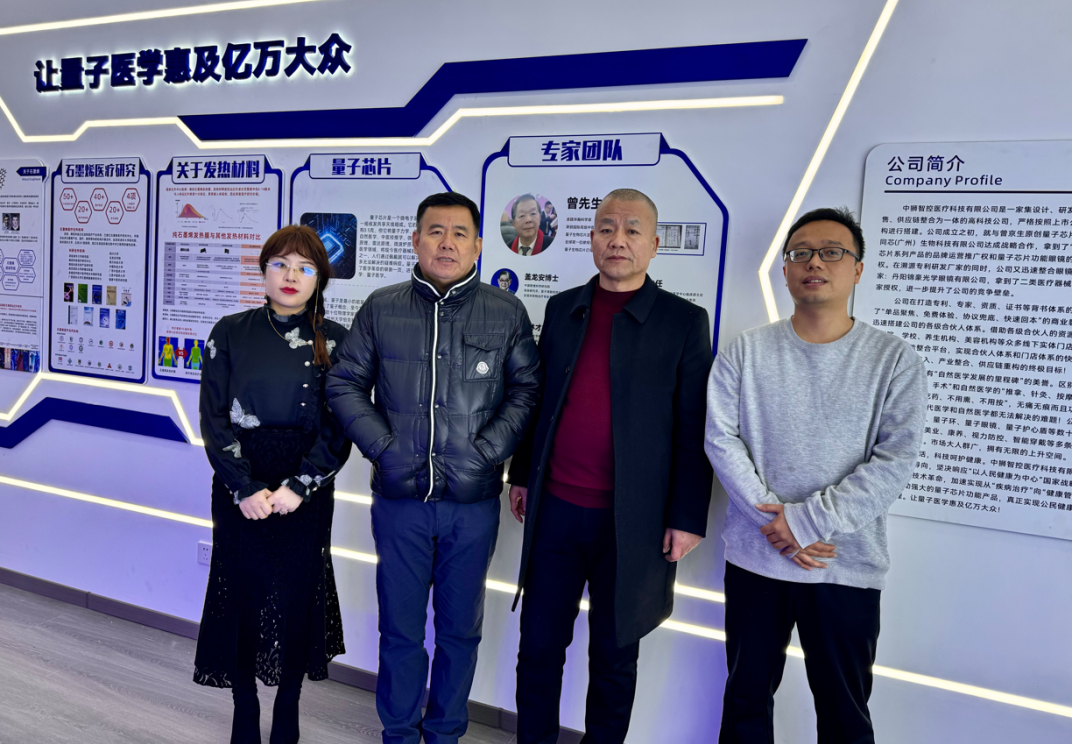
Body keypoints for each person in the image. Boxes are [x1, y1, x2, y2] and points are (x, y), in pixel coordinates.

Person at [705, 207, 927, 744]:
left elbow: (894, 461)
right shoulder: (747, 351)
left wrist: (804, 523)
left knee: (844, 710)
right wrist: (774, 523)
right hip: (757, 558)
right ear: (784, 269)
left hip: (843, 564)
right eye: (801, 253)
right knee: (744, 701)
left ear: (858, 269)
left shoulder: (893, 359)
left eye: (832, 252)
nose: (815, 263)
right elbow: (720, 438)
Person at [326, 192, 540, 744]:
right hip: (400, 501)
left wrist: (486, 452)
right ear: (416, 240)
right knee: (399, 630)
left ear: (478, 245)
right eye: (436, 231)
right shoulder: (382, 307)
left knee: (460, 632)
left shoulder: (505, 311)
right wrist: (384, 447)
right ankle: (398, 733)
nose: (447, 243)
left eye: (459, 233)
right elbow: (344, 382)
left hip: (472, 504)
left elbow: (526, 390)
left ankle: (445, 734)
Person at [507, 188, 714, 744]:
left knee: (614, 657)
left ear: (654, 243)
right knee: (539, 648)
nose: (617, 240)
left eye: (631, 229)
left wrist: (686, 516)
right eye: (606, 228)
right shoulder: (563, 308)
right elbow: (540, 401)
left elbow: (694, 426)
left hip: (633, 525)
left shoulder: (683, 322)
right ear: (592, 238)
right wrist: (522, 474)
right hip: (555, 511)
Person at [194, 224, 353, 744]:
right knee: (240, 592)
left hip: (305, 487)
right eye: (280, 264)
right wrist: (242, 487)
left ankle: (288, 708)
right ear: (263, 270)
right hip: (240, 482)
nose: (291, 275)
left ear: (319, 278)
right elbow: (214, 417)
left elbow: (340, 427)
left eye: (304, 267)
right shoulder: (229, 331)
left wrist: (300, 486)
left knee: (295, 597)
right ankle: (244, 709)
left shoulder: (339, 340)